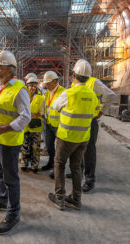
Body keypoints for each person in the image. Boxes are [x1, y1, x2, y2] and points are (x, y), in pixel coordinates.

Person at [0, 51, 31, 235]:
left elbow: (25, 117)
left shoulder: (19, 89)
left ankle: (13, 214)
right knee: (0, 174)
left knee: (11, 179)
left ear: (10, 70)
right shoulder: (0, 87)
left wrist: (3, 129)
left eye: (0, 67)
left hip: (9, 143)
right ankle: (3, 200)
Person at [47, 60, 99, 210]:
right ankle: (76, 199)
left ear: (73, 75)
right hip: (83, 138)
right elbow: (95, 112)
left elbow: (55, 106)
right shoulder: (92, 95)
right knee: (76, 167)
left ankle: (60, 198)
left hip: (67, 137)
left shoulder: (68, 93)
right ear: (88, 78)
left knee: (59, 164)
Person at [67, 59, 116, 193]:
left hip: (90, 121)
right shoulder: (75, 84)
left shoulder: (94, 83)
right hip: (78, 122)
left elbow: (111, 96)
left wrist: (101, 111)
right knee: (77, 149)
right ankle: (78, 172)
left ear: (74, 73)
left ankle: (90, 180)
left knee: (88, 151)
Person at [41, 71, 65, 178]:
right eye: (46, 83)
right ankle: (50, 163)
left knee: (60, 150)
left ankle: (58, 171)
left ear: (55, 81)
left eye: (48, 83)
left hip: (59, 125)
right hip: (49, 124)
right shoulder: (47, 92)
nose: (46, 85)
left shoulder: (63, 92)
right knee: (50, 146)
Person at [20, 77, 44, 173]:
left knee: (35, 148)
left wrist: (34, 115)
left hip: (36, 127)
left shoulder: (40, 98)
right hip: (25, 126)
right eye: (30, 85)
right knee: (25, 147)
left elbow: (42, 112)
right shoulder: (23, 97)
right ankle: (24, 164)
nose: (32, 87)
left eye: (34, 85)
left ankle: (35, 166)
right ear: (27, 86)